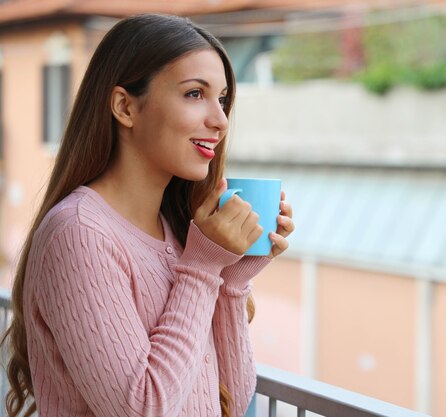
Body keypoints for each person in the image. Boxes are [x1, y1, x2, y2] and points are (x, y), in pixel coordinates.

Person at [1, 13, 294, 417]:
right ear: (124, 106)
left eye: (222, 99)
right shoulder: (79, 232)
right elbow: (142, 409)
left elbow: (231, 396)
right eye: (195, 94)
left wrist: (232, 276)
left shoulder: (179, 234)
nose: (220, 120)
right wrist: (204, 265)